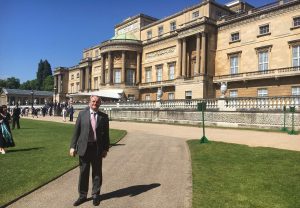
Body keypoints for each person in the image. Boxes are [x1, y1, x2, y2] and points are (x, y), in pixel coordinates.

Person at [70, 95, 110, 206]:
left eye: (97, 102)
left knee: (97, 173)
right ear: (89, 102)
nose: (95, 103)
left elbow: (106, 135)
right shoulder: (82, 114)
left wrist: (105, 149)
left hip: (97, 148)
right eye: (93, 101)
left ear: (100, 104)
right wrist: (72, 146)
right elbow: (76, 132)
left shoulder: (104, 117)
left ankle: (96, 195)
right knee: (83, 173)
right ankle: (82, 196)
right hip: (84, 148)